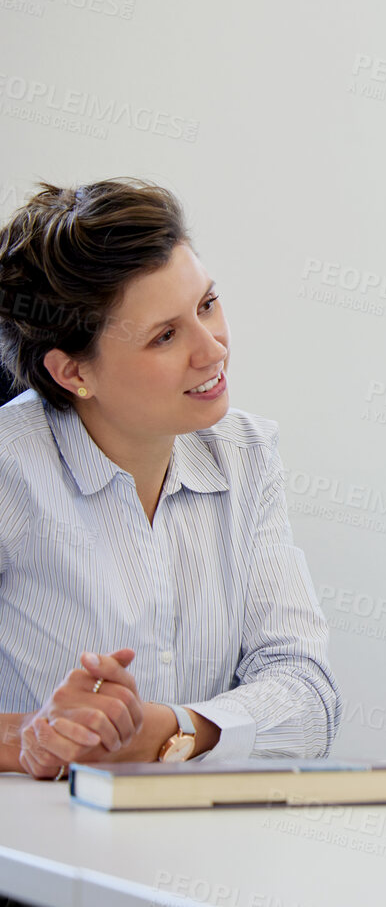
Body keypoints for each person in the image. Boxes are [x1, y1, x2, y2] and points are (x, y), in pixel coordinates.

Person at [0, 179, 339, 779]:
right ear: (74, 371)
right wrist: (28, 737)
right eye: (165, 336)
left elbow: (309, 696)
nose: (212, 351)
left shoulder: (246, 452)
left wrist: (174, 730)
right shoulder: (11, 468)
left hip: (207, 840)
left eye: (207, 305)